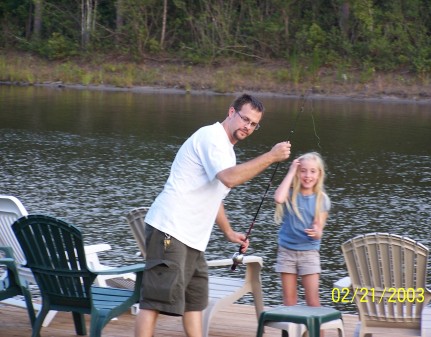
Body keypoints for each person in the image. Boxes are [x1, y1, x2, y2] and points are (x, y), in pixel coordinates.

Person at [135, 93, 291, 337]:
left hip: (193, 240)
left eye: (253, 124)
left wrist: (228, 232)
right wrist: (271, 156)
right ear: (231, 112)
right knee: (155, 300)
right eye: (244, 119)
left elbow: (214, 197)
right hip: (169, 231)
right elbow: (229, 177)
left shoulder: (227, 152)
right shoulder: (211, 137)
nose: (247, 127)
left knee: (194, 302)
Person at [273, 152, 330, 308]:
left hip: (309, 253)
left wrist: (316, 231)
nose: (307, 175)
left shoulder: (321, 199)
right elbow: (278, 198)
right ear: (298, 172)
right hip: (286, 252)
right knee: (289, 302)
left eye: (313, 171)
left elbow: (319, 230)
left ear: (319, 174)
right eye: (303, 170)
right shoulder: (290, 194)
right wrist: (291, 171)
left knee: (313, 301)